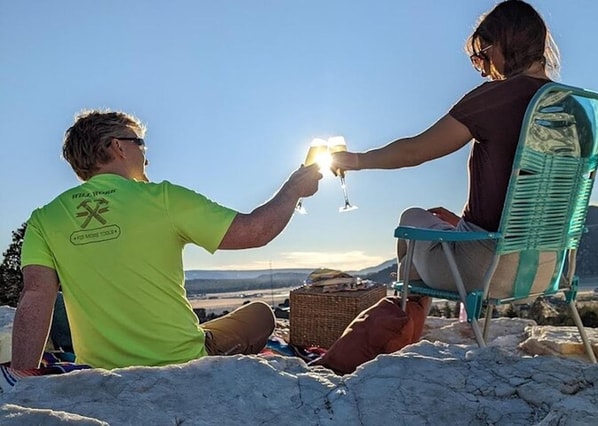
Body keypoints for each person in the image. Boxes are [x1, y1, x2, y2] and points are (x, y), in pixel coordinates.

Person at [11, 110, 322, 370]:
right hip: (181, 361)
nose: (146, 157)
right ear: (118, 147)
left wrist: (22, 379)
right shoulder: (163, 198)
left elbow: (35, 297)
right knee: (261, 313)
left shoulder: (45, 218)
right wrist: (293, 189)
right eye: (140, 143)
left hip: (100, 370)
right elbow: (256, 231)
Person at [331, 0, 560, 295]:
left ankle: (404, 315)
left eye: (483, 55)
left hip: (486, 269)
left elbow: (414, 151)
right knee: (426, 247)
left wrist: (356, 160)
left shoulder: (497, 97)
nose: (484, 70)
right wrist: (467, 225)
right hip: (546, 270)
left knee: (413, 219)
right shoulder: (572, 105)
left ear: (505, 42)